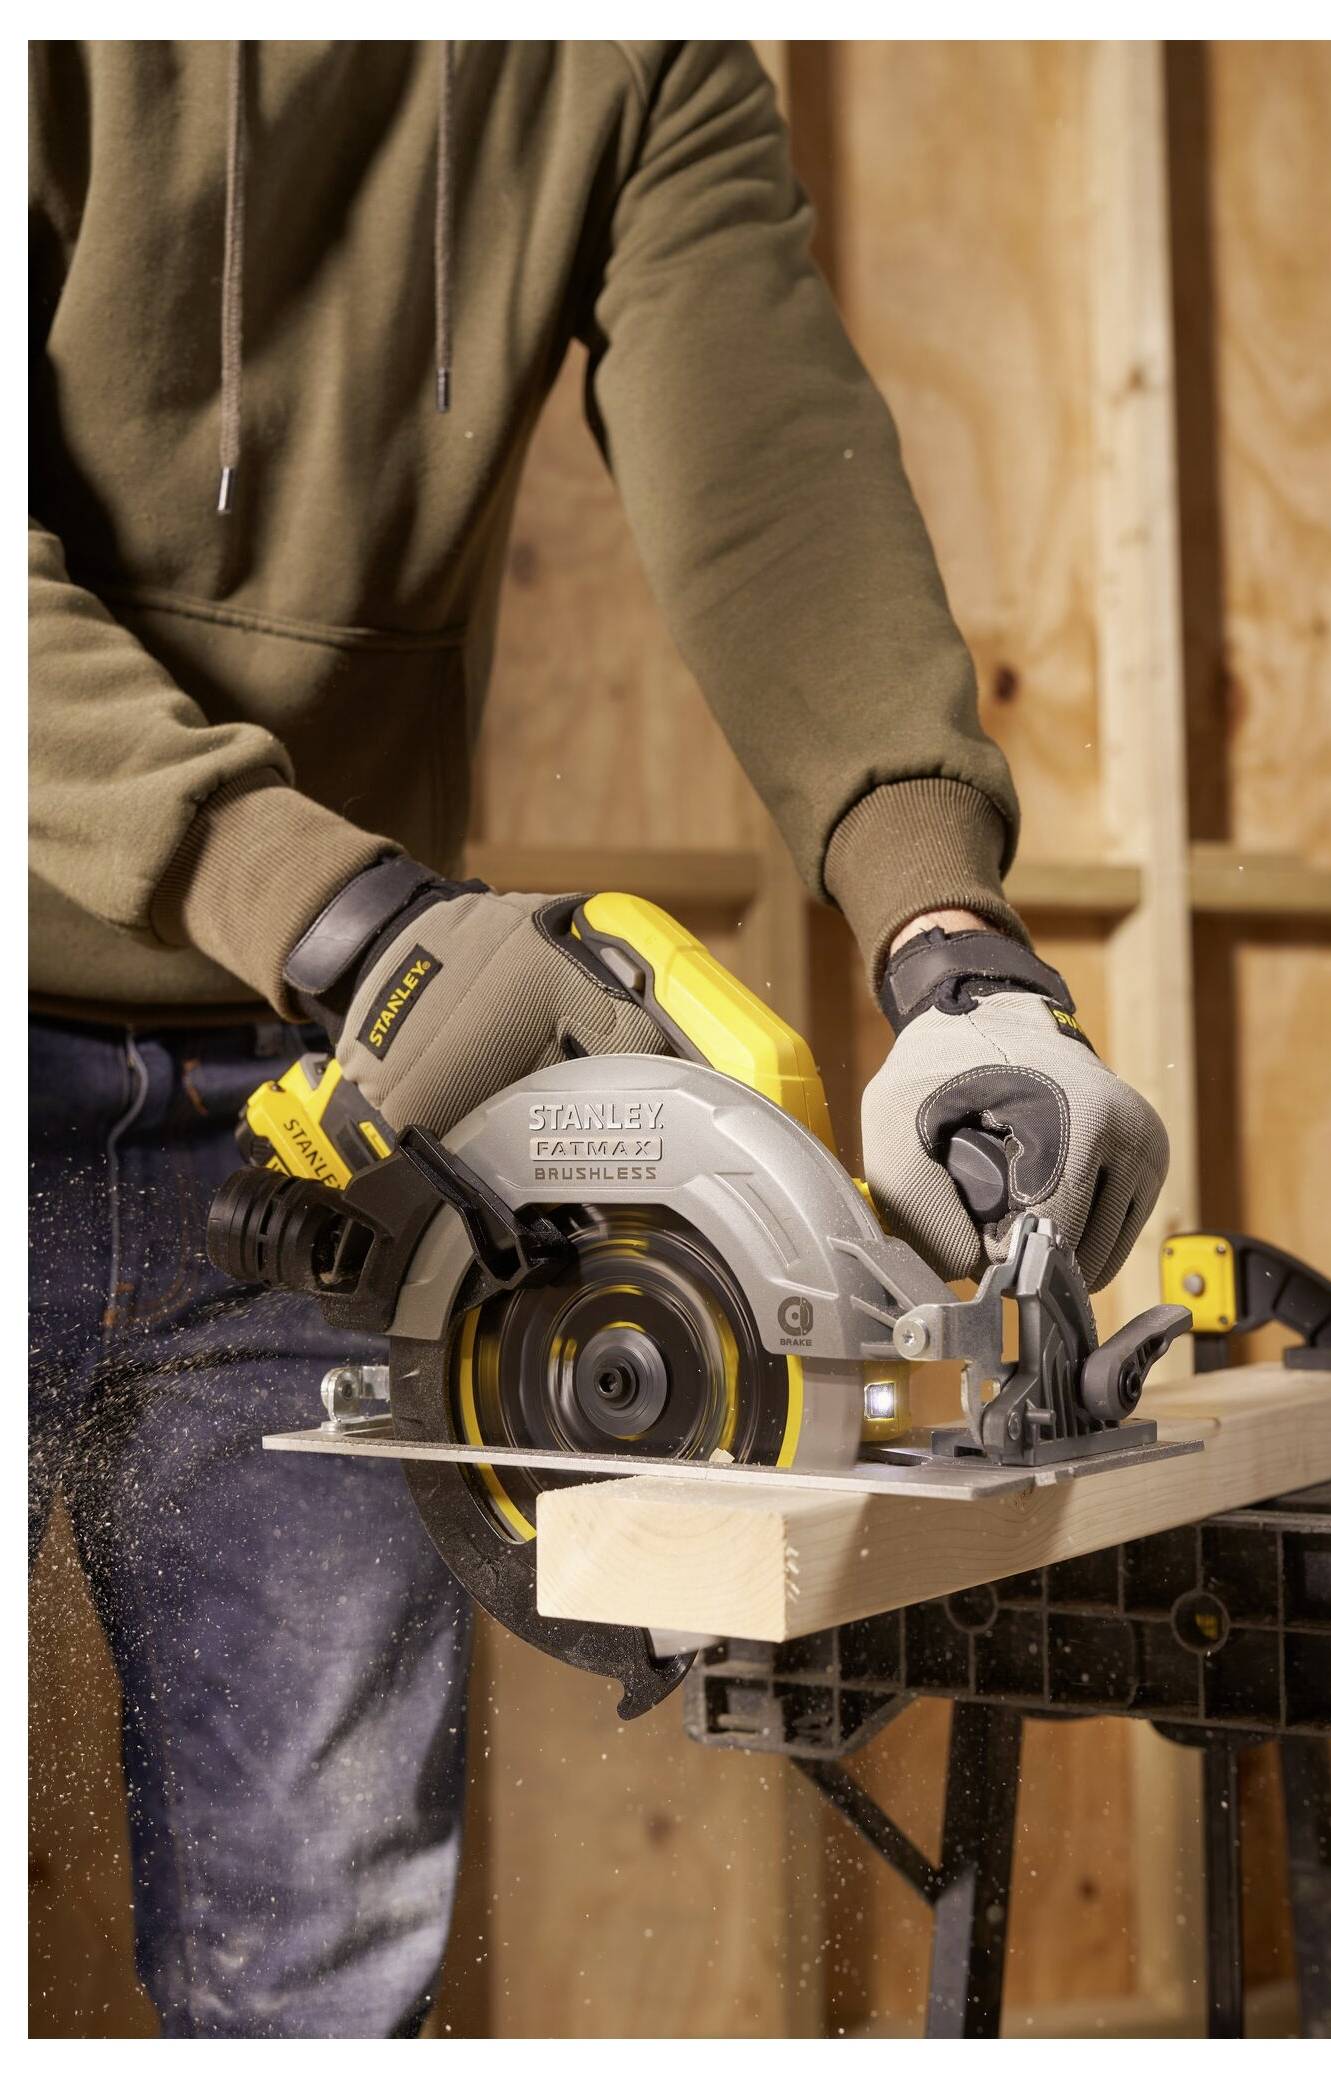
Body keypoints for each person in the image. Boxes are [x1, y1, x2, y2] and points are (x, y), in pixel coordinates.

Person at [29, 41, 1168, 2037]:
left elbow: (778, 484)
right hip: (270, 961)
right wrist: (333, 904)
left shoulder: (629, 55)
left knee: (322, 1953)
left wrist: (955, 953)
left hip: (330, 1104)